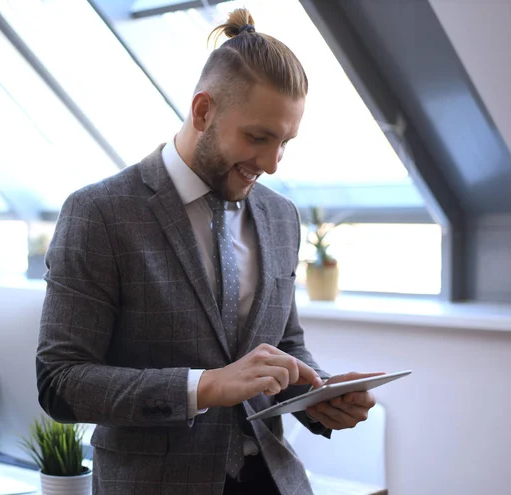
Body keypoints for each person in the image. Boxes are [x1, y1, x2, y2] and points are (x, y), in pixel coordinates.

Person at [36, 8, 382, 495]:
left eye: (285, 142)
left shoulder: (281, 216)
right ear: (203, 111)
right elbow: (61, 382)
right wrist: (203, 386)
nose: (271, 163)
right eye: (258, 137)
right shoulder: (99, 213)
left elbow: (283, 346)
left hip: (274, 481)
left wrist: (319, 394)